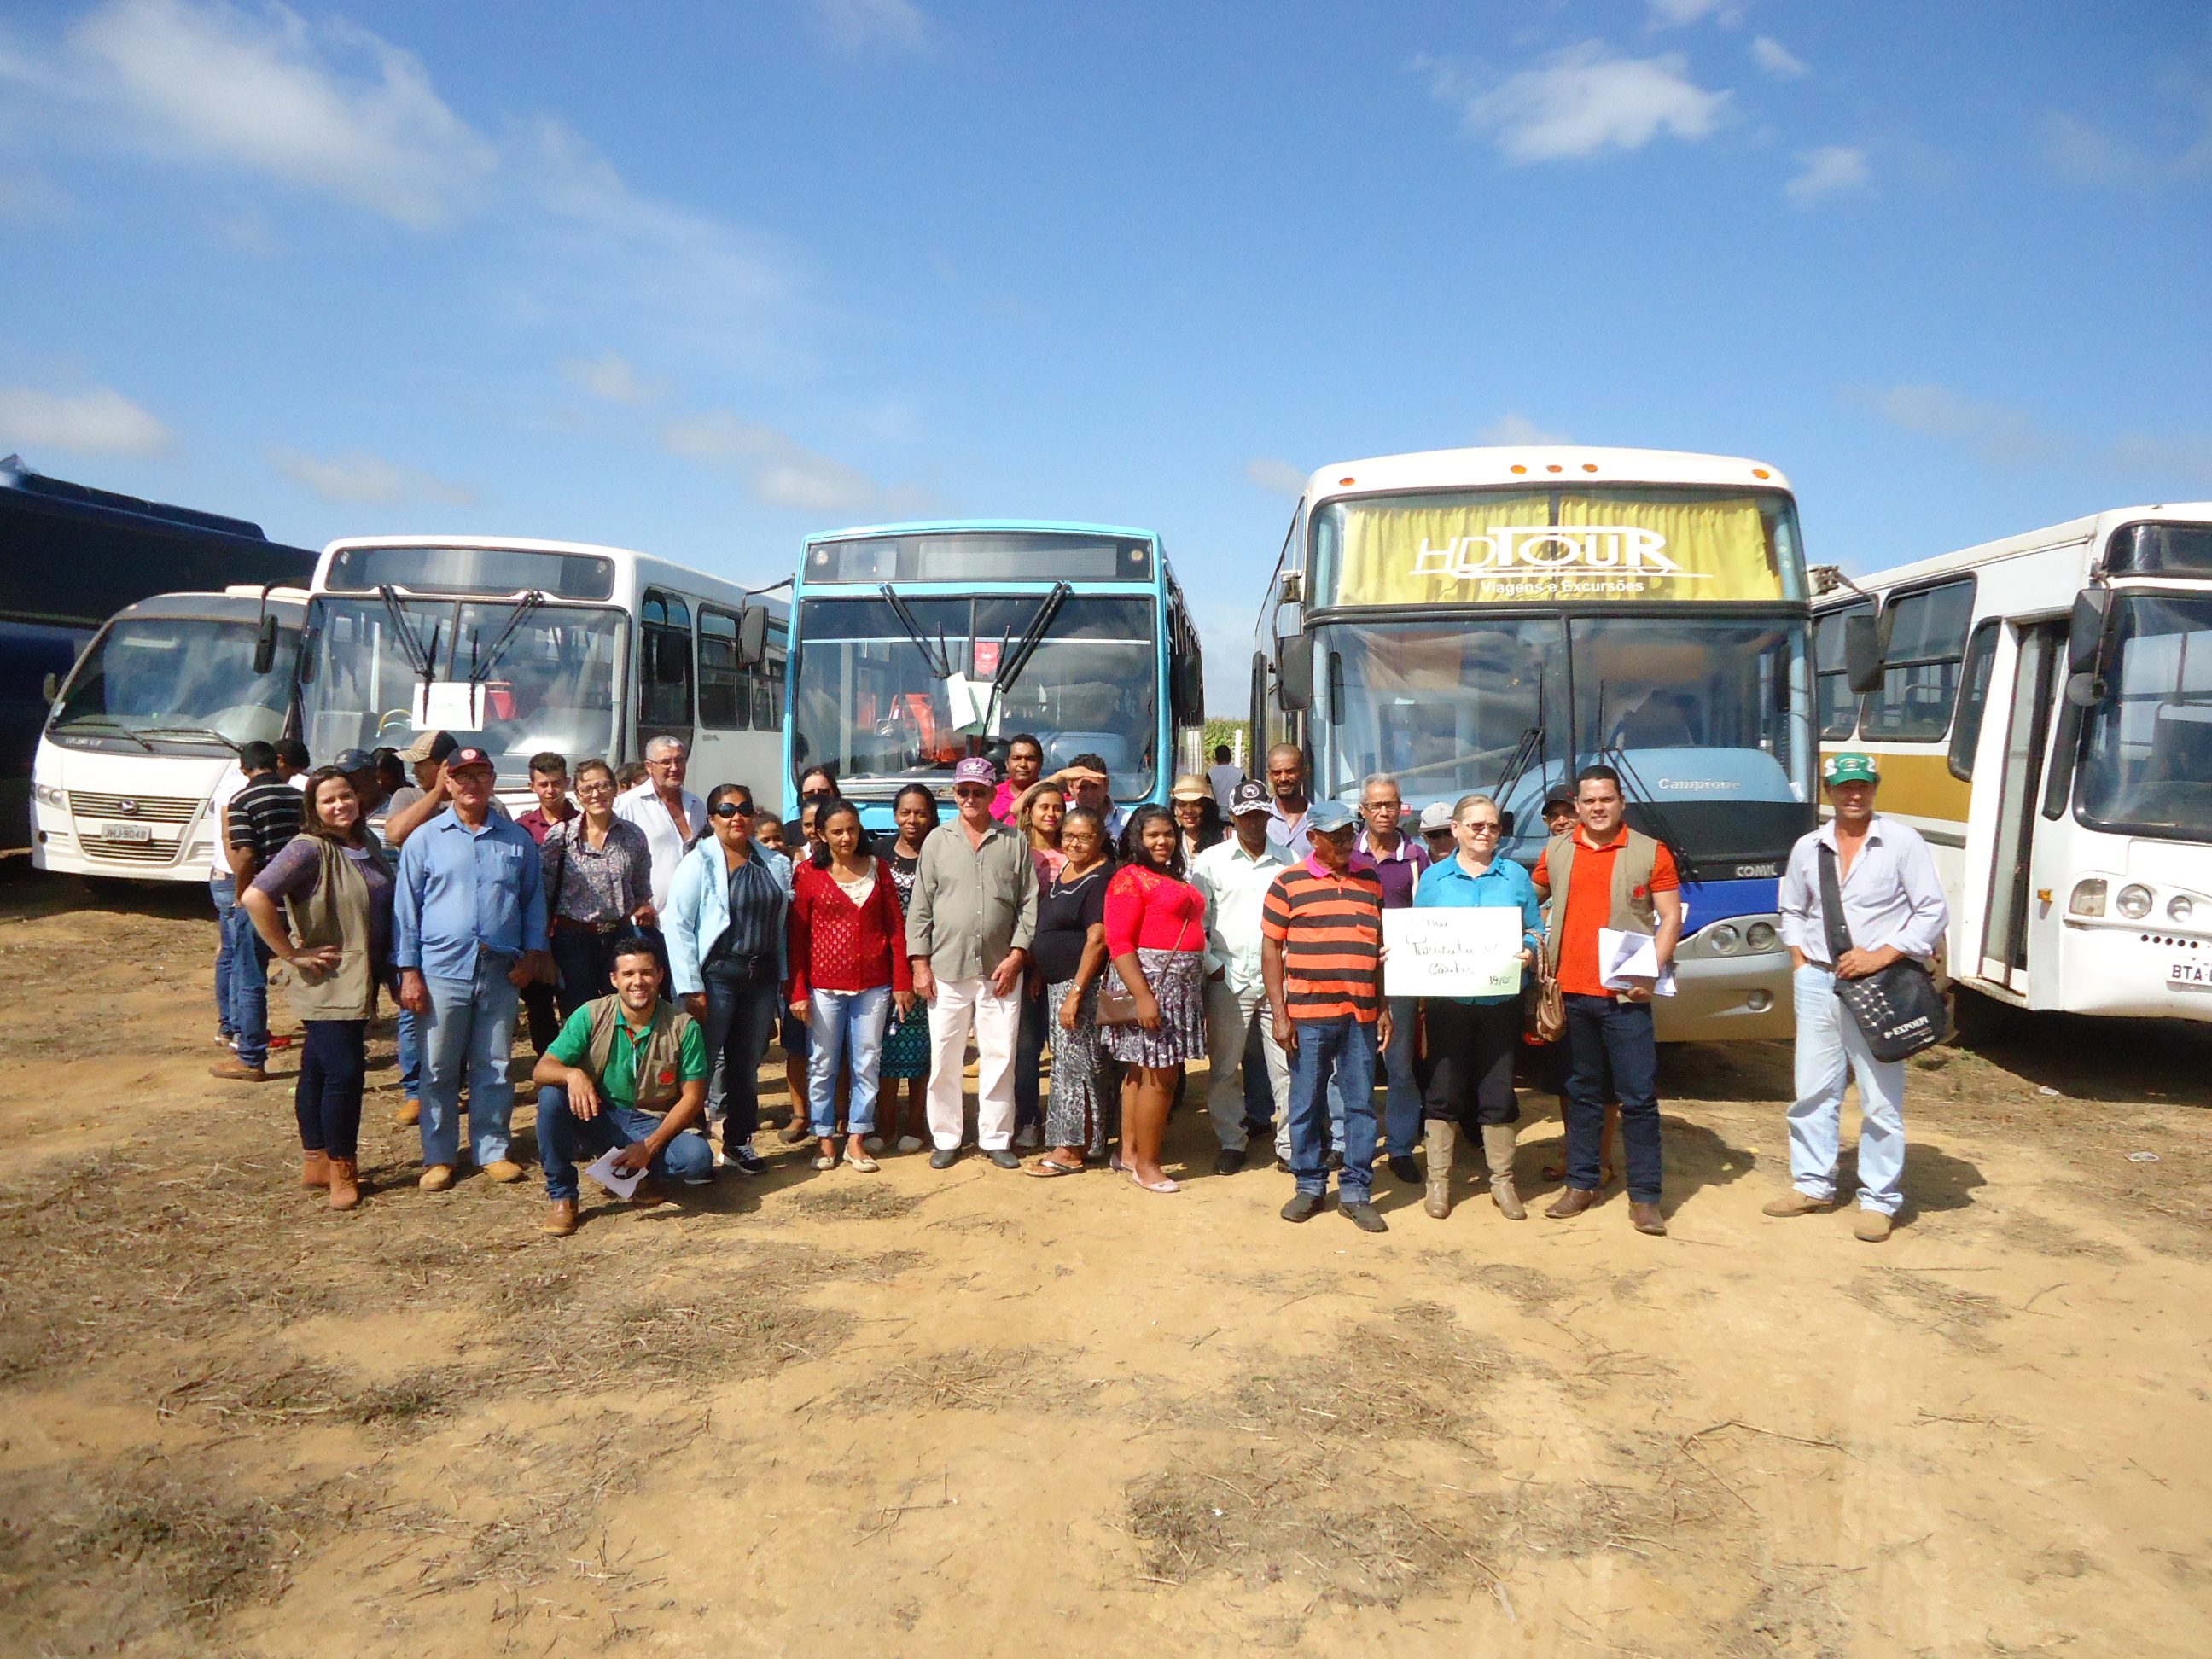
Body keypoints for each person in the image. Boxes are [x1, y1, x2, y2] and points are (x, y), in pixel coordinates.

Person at [1770, 753, 1949, 1243]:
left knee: (1880, 1099)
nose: (1854, 795)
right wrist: (1800, 962)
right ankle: (1811, 1184)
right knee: (1813, 1090)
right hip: (1817, 982)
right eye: (1844, 787)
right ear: (1829, 792)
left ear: (1875, 788)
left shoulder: (1901, 842)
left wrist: (1882, 955)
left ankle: (1879, 1199)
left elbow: (1932, 911)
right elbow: (1792, 908)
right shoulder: (1808, 847)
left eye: (1863, 786)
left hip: (1879, 984)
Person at [393, 746, 555, 1190]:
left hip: (501, 971)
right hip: (442, 969)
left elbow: (532, 902)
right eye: (462, 777)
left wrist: (530, 955)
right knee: (440, 1067)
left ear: (493, 782)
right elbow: (407, 910)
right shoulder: (425, 839)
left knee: (496, 1064)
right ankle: (439, 1156)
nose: (471, 785)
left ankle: (493, 1149)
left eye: (481, 775)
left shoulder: (515, 839)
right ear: (447, 783)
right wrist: (409, 971)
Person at [1533, 765, 1682, 1237]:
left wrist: (1649, 972)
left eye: (1606, 799)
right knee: (1582, 1094)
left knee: (1637, 1098)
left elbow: (1671, 917)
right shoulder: (1558, 849)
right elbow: (1525, 897)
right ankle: (1582, 1183)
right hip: (1571, 993)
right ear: (1577, 806)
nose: (1598, 808)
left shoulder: (1650, 852)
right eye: (1589, 800)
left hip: (1625, 995)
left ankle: (1645, 1198)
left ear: (1620, 803)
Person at [240, 765, 395, 1211]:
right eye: (328, 800)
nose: (340, 805)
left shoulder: (364, 843)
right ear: (314, 808)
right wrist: (290, 952)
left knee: (318, 1069)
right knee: (346, 1073)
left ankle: (315, 1157)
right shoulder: (309, 848)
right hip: (326, 981)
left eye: (345, 795)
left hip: (360, 977)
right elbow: (255, 896)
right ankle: (342, 1166)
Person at [1413, 793, 1545, 1221]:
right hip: (1448, 1003)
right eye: (1476, 826)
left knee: (1497, 1090)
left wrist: (1528, 949)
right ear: (1455, 829)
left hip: (1500, 1001)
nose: (1485, 833)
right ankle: (1439, 1183)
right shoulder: (1433, 880)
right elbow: (1420, 935)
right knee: (1444, 1089)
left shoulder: (1515, 877)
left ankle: (1503, 1183)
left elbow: (1536, 930)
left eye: (1492, 826)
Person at [1263, 800, 1391, 1231]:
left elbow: (1379, 951)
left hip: (1360, 1012)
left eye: (1348, 836)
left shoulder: (1370, 879)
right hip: (1308, 1013)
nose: (1343, 844)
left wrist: (1384, 1007)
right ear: (1312, 838)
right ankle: (1309, 1185)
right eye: (1333, 837)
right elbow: (1271, 951)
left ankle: (1356, 1190)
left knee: (1360, 1104)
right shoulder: (1288, 883)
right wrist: (1280, 1015)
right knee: (1305, 1102)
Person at [907, 755, 1038, 1170]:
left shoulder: (1014, 841)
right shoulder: (937, 841)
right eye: (963, 791)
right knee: (945, 1058)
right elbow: (920, 908)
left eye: (978, 792)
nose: (969, 798)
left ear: (991, 793)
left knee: (1000, 1056)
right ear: (955, 793)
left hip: (1000, 970)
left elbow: (1029, 904)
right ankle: (946, 1136)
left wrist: (1017, 955)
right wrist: (919, 963)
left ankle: (997, 1137)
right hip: (946, 968)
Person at [532, 940, 714, 1237]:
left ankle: (634, 1173)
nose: (637, 982)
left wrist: (650, 1146)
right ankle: (563, 1195)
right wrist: (574, 1074)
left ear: (660, 976)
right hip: (598, 1113)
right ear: (614, 979)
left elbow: (693, 1097)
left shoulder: (683, 1026)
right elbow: (541, 1069)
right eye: (628, 974)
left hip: (649, 1121)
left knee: (696, 1160)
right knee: (552, 1095)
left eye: (646, 973)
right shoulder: (590, 1015)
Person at [665, 784, 787, 1178]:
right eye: (726, 809)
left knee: (746, 1065)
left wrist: (783, 979)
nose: (737, 817)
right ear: (713, 818)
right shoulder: (699, 862)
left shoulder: (773, 862)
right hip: (716, 977)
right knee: (699, 1062)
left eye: (745, 809)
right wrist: (691, 987)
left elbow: (781, 927)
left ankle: (738, 1142)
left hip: (761, 978)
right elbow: (678, 925)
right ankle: (689, 1144)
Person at [789, 799, 913, 1172]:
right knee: (823, 1063)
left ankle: (857, 1138)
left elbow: (896, 930)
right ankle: (825, 1137)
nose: (846, 837)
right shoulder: (808, 873)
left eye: (852, 829)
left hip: (874, 986)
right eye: (837, 831)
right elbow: (797, 937)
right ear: (822, 835)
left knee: (867, 1062)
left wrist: (902, 981)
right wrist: (797, 991)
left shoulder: (880, 869)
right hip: (824, 987)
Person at [1102, 805, 1207, 1192]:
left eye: (1169, 834)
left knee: (1142, 1072)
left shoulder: (1167, 875)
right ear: (1137, 840)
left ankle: (1129, 1154)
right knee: (1162, 1076)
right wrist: (1144, 997)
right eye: (1153, 835)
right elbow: (1119, 942)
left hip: (1178, 988)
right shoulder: (1130, 879)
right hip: (1153, 987)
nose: (1163, 841)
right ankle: (1148, 1166)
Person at [1190, 780, 1291, 1176]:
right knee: (1225, 1069)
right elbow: (1196, 923)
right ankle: (1232, 1141)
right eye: (1246, 816)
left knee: (1285, 1066)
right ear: (1233, 817)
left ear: (1269, 815)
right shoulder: (1211, 862)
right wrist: (1211, 966)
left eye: (1260, 815)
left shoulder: (1287, 861)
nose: (1254, 823)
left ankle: (1289, 1145)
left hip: (1277, 980)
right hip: (1227, 979)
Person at [1026, 806, 1115, 1175]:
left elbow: (1098, 938)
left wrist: (1076, 993)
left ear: (1100, 839)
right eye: (1068, 836)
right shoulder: (1068, 869)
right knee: (1070, 1065)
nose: (1074, 843)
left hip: (1080, 986)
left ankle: (1070, 1150)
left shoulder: (1101, 877)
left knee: (1074, 1070)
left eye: (1083, 837)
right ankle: (1085, 1142)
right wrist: (1040, 973)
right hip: (1056, 982)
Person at [212, 737, 306, 1083]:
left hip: (262, 899)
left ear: (243, 768)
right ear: (276, 763)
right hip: (300, 899)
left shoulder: (241, 801)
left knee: (250, 977)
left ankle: (251, 1056)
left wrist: (242, 894)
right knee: (309, 969)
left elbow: (247, 855)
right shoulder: (299, 797)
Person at [1352, 772, 1429, 1185]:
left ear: (1402, 808)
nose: (1384, 812)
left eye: (1391, 804)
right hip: (1352, 976)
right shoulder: (1349, 854)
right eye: (1376, 805)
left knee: (1399, 1067)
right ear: (1363, 810)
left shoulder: (1417, 858)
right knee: (1348, 1065)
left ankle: (1399, 1146)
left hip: (1399, 979)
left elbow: (1429, 918)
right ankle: (1349, 1144)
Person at [541, 760, 655, 1021]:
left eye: (603, 786)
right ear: (578, 795)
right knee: (580, 1016)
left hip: (620, 936)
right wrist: (543, 948)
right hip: (573, 940)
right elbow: (544, 895)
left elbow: (640, 889)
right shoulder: (561, 836)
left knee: (626, 1011)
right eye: (587, 789)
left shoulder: (633, 835)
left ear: (615, 789)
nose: (596, 794)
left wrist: (641, 909)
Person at [876, 783, 939, 1154]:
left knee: (923, 1050)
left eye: (920, 813)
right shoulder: (879, 852)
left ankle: (917, 1123)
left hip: (931, 965)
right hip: (884, 967)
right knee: (883, 1049)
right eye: (905, 812)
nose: (912, 820)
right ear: (895, 815)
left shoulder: (941, 848)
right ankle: (884, 1125)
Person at [1011, 778, 1068, 1147]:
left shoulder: (1074, 851)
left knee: (1064, 1051)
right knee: (1027, 1049)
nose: (1051, 814)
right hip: (1024, 964)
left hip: (1063, 965)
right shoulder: (1016, 852)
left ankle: (1065, 1123)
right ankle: (1029, 1119)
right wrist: (1030, 965)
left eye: (1058, 808)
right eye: (1043, 807)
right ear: (1028, 812)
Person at [511, 752, 577, 1054]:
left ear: (567, 782)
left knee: (576, 1004)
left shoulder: (584, 822)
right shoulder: (522, 829)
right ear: (532, 786)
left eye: (556, 783)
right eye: (543, 784)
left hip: (573, 928)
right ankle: (547, 1064)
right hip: (536, 931)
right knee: (538, 1005)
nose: (550, 790)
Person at [614, 735, 707, 940]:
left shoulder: (697, 805)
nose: (674, 768)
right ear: (649, 766)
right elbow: (613, 861)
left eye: (680, 760)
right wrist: (637, 902)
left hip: (692, 919)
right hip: (646, 922)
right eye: (666, 762)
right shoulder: (627, 806)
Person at [1050, 753, 1126, 843]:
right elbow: (1030, 799)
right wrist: (1059, 776)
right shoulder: (1059, 815)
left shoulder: (1126, 821)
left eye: (1095, 787)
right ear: (1070, 787)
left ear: (1106, 785)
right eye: (1082, 788)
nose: (1089, 795)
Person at [1263, 743, 1312, 857]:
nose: (1283, 778)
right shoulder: (1260, 820)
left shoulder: (1321, 821)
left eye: (1290, 772)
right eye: (1277, 773)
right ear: (1269, 776)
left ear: (1304, 772)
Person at [1170, 773, 1225, 862]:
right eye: (1182, 805)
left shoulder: (1225, 838)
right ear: (1175, 809)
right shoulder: (1171, 840)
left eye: (1196, 804)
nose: (1189, 811)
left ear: (1208, 808)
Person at [992, 734, 1045, 824]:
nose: (1023, 764)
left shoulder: (1052, 798)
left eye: (1030, 759)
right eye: (1016, 758)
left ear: (1040, 764)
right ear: (1007, 764)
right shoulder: (991, 795)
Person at [1207, 742, 1243, 812]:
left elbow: (1208, 796)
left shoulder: (1210, 774)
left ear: (1216, 758)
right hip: (1235, 812)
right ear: (1230, 758)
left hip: (1216, 813)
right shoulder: (1240, 773)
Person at [1417, 800, 1457, 864]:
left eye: (1449, 833)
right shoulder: (1416, 866)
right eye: (1434, 834)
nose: (1443, 841)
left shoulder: (1475, 865)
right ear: (1425, 839)